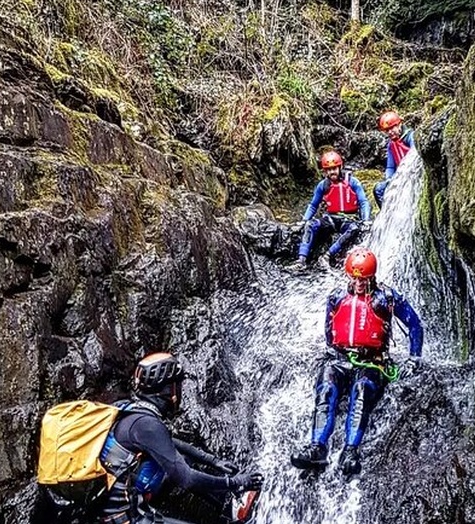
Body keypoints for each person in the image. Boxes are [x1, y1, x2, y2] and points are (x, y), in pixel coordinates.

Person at [290, 247, 423, 475]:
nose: (360, 283)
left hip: (371, 361)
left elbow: (414, 324)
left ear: (372, 277)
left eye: (365, 278)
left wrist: (414, 358)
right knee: (326, 391)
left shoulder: (386, 298)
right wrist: (333, 354)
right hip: (340, 358)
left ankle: (350, 450)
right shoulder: (336, 297)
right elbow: (329, 332)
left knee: (361, 392)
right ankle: (317, 448)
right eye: (355, 278)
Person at [97, 352, 264, 524]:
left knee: (184, 460)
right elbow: (187, 479)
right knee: (183, 473)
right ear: (170, 389)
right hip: (122, 518)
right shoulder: (147, 425)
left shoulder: (128, 410)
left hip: (120, 499)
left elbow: (167, 443)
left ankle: (229, 509)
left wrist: (213, 461)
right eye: (179, 384)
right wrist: (235, 482)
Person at [293, 151, 372, 270]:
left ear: (340, 167)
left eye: (334, 168)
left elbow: (364, 202)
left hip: (348, 219)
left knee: (354, 229)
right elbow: (313, 205)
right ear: (325, 171)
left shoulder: (352, 182)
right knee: (310, 225)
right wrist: (304, 220)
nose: (332, 172)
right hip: (330, 219)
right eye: (328, 169)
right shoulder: (323, 185)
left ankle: (327, 255)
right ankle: (301, 260)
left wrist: (366, 220)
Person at [374, 110, 415, 209]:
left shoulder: (410, 137)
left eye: (392, 128)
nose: (390, 132)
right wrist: (389, 179)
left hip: (413, 176)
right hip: (400, 178)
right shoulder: (391, 145)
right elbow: (390, 167)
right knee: (378, 189)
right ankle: (386, 215)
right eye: (387, 130)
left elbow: (415, 156)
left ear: (399, 124)